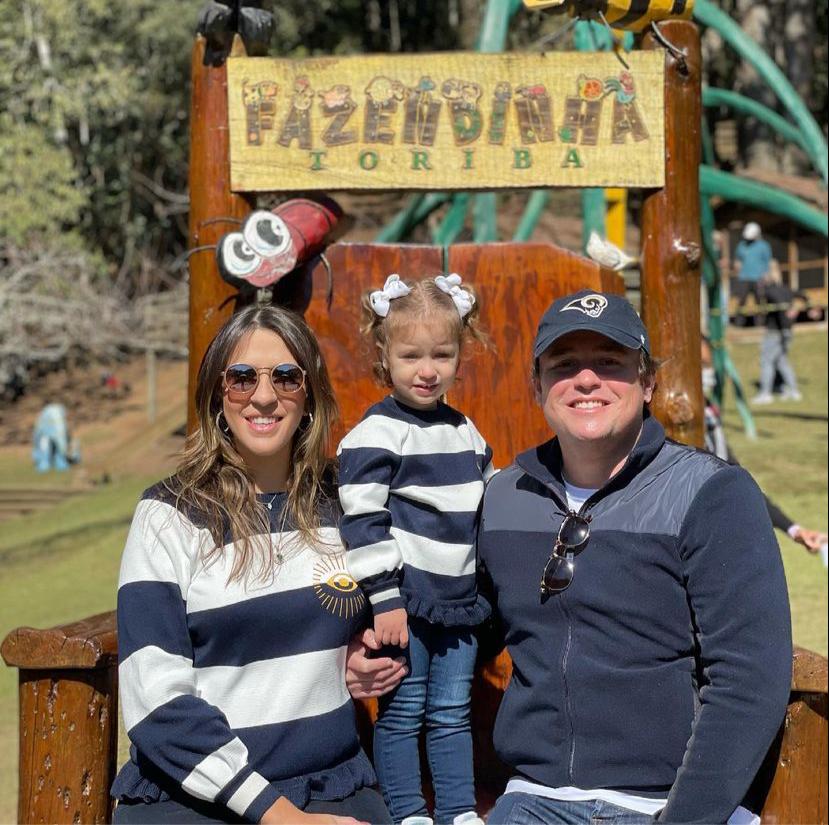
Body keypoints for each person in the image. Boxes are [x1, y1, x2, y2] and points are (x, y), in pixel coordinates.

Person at [476, 289, 792, 824]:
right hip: (530, 798)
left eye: (610, 362)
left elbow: (748, 679)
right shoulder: (505, 496)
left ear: (648, 383)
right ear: (537, 386)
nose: (586, 380)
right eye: (565, 364)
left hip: (662, 805)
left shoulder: (711, 493)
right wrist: (384, 651)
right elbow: (473, 629)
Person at [111, 305, 392, 825]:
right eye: (242, 378)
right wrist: (282, 816)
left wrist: (366, 647)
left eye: (286, 377)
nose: (264, 396)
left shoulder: (345, 503)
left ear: (309, 395)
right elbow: (156, 705)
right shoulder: (166, 515)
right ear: (218, 395)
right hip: (196, 799)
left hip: (331, 782)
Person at [337, 274, 494, 825]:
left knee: (453, 712)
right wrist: (383, 598)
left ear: (458, 357)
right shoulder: (376, 433)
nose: (427, 369)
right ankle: (406, 812)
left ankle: (456, 811)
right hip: (403, 601)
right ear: (385, 356)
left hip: (457, 599)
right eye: (411, 355)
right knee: (402, 711)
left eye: (441, 355)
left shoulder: (466, 432)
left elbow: (486, 505)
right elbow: (361, 518)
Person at [701, 337, 826, 554]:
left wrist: (794, 530)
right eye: (702, 365)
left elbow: (737, 482)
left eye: (708, 364)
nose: (708, 372)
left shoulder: (710, 414)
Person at [749, 263, 810, 404]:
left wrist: (787, 317)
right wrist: (801, 308)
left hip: (775, 332)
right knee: (781, 362)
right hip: (786, 332)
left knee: (766, 361)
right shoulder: (786, 289)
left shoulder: (770, 291)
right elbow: (802, 294)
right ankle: (794, 391)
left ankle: (765, 394)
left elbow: (780, 304)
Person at [733, 221, 772, 326]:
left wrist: (766, 275)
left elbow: (767, 262)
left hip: (758, 278)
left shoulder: (764, 246)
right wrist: (737, 271)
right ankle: (739, 323)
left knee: (760, 301)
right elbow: (738, 261)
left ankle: (760, 324)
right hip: (744, 278)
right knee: (741, 301)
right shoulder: (741, 245)